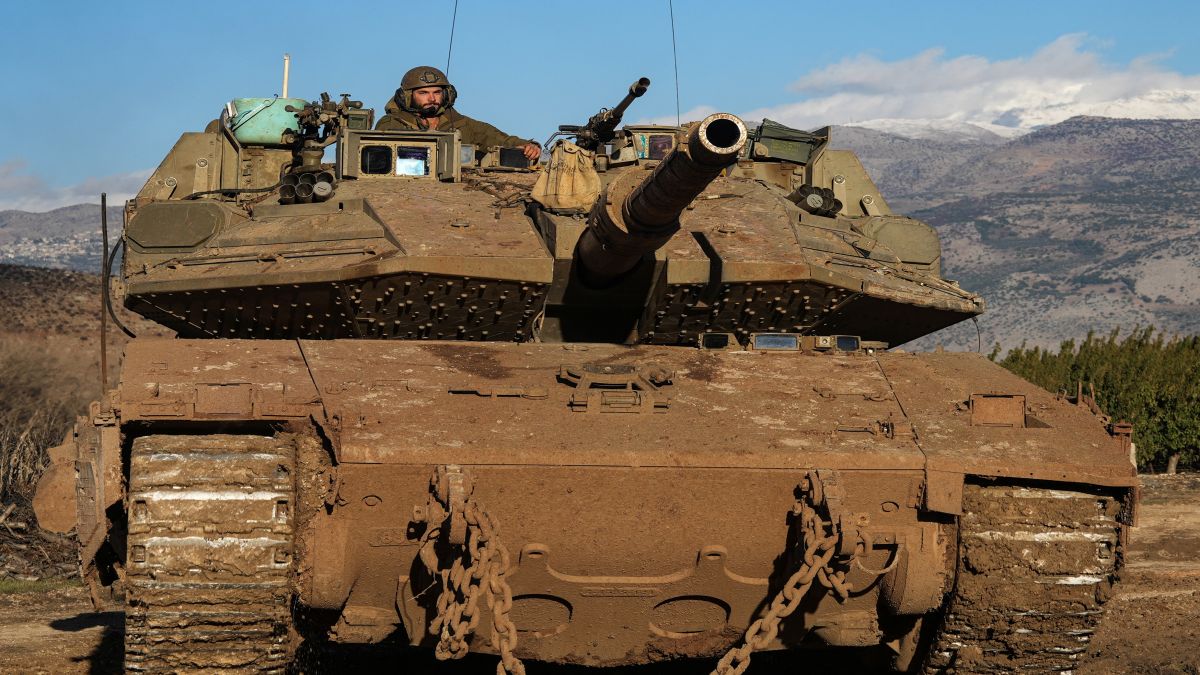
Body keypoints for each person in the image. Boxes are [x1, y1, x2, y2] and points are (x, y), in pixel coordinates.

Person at [376, 66, 541, 161]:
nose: (432, 98)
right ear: (407, 97)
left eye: (437, 92)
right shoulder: (391, 124)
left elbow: (500, 139)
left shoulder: (463, 124)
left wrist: (528, 146)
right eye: (423, 93)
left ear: (447, 95)